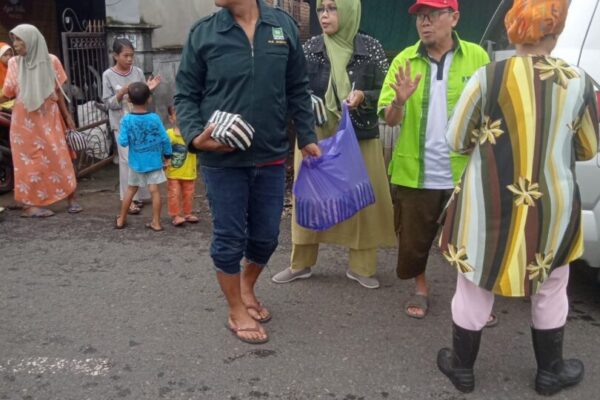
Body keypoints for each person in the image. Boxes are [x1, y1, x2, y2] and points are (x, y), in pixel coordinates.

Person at [436, 0, 599, 395]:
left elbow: (456, 140)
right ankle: (549, 372)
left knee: (475, 282)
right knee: (552, 284)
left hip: (488, 204)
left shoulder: (487, 76)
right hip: (552, 208)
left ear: (512, 29)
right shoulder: (579, 81)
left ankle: (463, 369)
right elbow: (589, 149)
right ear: (556, 31)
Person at [175, 0, 320, 344]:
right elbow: (185, 95)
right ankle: (235, 309)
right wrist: (196, 137)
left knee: (267, 236)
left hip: (270, 153)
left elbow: (297, 88)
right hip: (222, 160)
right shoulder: (205, 32)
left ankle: (246, 285)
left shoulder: (283, 27)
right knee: (229, 238)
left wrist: (308, 137)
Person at [271, 0, 395, 289]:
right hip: (314, 134)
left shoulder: (370, 47)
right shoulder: (311, 46)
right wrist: (304, 101)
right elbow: (291, 85)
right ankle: (300, 263)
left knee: (362, 197)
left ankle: (361, 267)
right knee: (308, 196)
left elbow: (387, 89)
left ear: (350, 10)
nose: (324, 16)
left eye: (332, 8)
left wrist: (364, 95)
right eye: (320, 10)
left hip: (358, 134)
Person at [377, 0, 489, 318]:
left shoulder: (477, 57)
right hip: (417, 170)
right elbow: (391, 119)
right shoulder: (405, 60)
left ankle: (471, 297)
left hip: (465, 170)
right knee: (414, 239)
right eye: (420, 18)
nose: (424, 23)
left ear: (453, 18)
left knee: (470, 240)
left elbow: (490, 109)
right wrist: (399, 101)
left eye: (432, 16)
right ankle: (420, 288)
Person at [0, 24, 82, 217]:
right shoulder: (14, 63)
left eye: (19, 39)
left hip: (49, 119)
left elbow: (59, 92)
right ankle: (29, 206)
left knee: (60, 157)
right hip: (23, 124)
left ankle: (71, 198)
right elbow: (8, 92)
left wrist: (67, 115)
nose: (16, 44)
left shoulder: (51, 61)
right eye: (14, 40)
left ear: (32, 40)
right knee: (29, 164)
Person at [102, 38, 161, 215]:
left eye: (132, 55)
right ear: (115, 55)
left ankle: (140, 195)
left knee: (140, 157)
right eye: (125, 55)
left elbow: (143, 97)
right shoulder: (108, 75)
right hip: (121, 124)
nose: (129, 59)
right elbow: (108, 104)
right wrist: (121, 93)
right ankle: (129, 199)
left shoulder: (137, 72)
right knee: (127, 161)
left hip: (139, 123)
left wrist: (149, 89)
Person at [114, 82, 172, 231]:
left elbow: (123, 142)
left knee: (131, 190)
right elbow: (165, 138)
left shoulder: (127, 120)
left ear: (129, 100)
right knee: (155, 191)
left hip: (136, 163)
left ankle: (121, 219)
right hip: (154, 161)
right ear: (149, 99)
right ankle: (156, 223)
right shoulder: (154, 118)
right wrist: (167, 154)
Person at [165, 105, 199, 226]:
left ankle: (187, 213)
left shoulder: (192, 134)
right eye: (177, 115)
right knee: (174, 193)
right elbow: (163, 149)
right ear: (171, 118)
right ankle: (176, 215)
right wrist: (164, 161)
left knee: (189, 193)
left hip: (189, 171)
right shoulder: (168, 134)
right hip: (173, 171)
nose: (181, 117)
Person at [0, 42, 15, 110]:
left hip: (9, 99)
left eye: (10, 55)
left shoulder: (14, 68)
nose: (9, 57)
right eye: (5, 55)